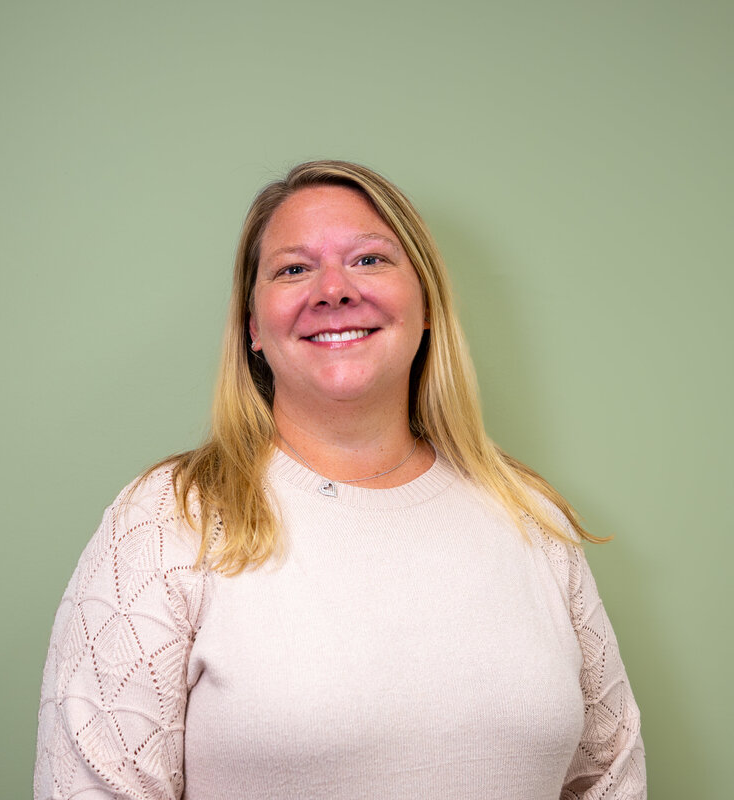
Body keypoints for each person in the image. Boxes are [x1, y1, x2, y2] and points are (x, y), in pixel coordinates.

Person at [34, 160, 646, 799]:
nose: (333, 290)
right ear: (252, 327)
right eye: (294, 269)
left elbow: (610, 776)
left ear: (427, 303)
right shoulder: (172, 517)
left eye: (370, 260)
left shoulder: (528, 517)